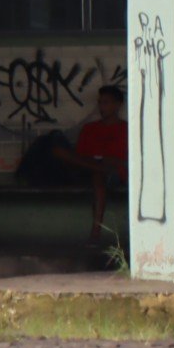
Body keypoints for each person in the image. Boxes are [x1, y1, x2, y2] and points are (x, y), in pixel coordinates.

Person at [57, 84, 128, 247]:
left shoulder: (126, 129)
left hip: (113, 174)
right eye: (100, 103)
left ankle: (96, 231)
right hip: (87, 169)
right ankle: (98, 169)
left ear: (118, 105)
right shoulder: (90, 128)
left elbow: (123, 161)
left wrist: (105, 161)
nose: (102, 107)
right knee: (57, 148)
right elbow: (81, 156)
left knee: (99, 174)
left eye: (107, 103)